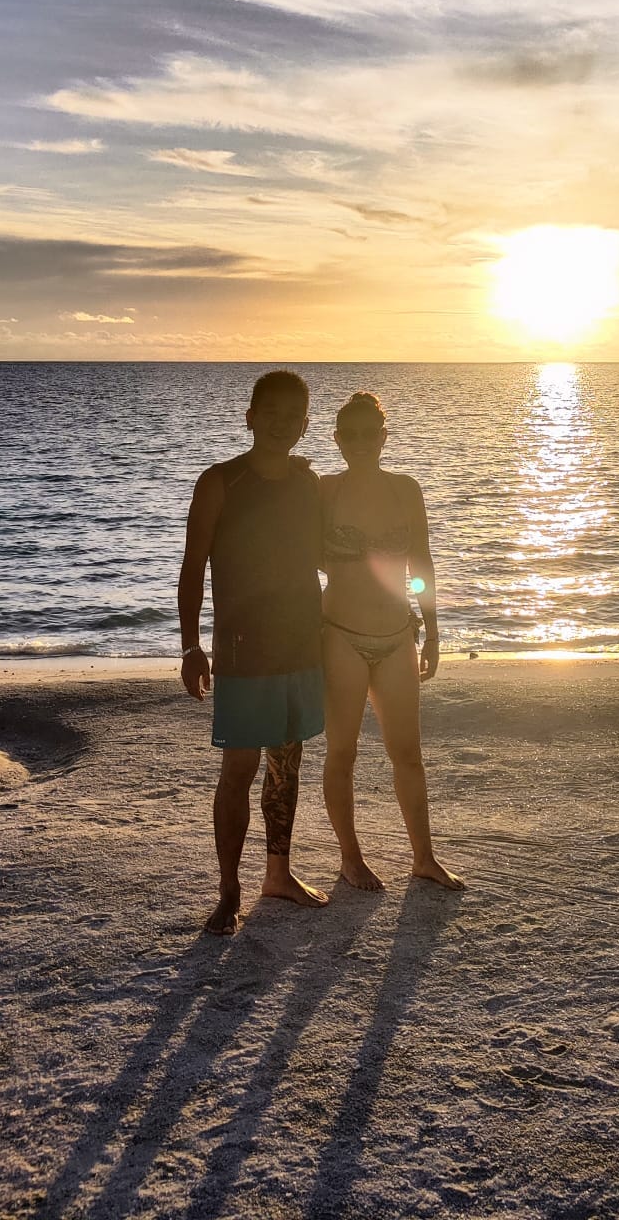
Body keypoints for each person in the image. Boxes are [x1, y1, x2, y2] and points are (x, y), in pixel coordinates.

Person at [178, 369, 331, 935]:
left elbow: (321, 556)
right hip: (242, 648)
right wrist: (191, 645)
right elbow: (193, 566)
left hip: (300, 641)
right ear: (249, 418)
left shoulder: (306, 483)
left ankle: (278, 874)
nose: (280, 425)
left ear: (305, 424)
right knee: (238, 769)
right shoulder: (221, 481)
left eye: (293, 417)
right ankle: (228, 890)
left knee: (286, 763)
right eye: (270, 414)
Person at [318, 392, 464, 891]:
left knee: (409, 754)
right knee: (343, 753)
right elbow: (298, 558)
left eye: (369, 434)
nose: (360, 443)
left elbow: (421, 564)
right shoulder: (325, 491)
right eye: (349, 435)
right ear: (337, 439)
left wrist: (433, 629)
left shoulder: (406, 490)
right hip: (340, 635)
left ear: (384, 437)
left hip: (398, 634)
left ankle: (423, 857)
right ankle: (350, 858)